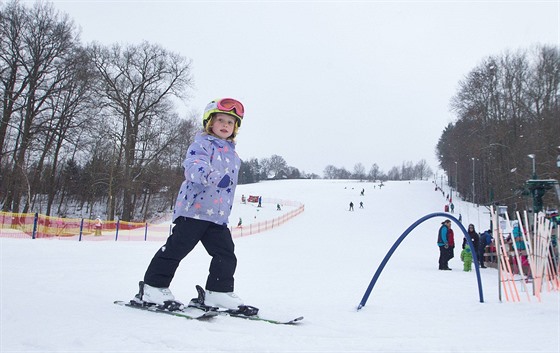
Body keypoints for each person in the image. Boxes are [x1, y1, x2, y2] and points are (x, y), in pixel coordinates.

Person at [135, 98, 246, 310]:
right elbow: (193, 166)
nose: (225, 125)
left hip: (217, 216)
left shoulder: (234, 154)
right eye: (220, 120)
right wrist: (212, 176)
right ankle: (153, 288)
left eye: (230, 122)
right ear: (209, 123)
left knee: (225, 253)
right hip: (194, 211)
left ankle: (218, 292)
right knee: (177, 248)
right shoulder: (202, 144)